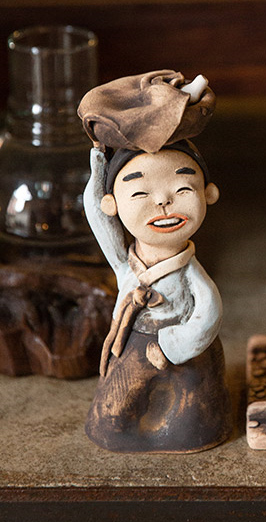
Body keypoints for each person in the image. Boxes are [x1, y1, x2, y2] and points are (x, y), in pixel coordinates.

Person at [83, 139, 232, 453]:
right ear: (112, 204)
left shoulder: (194, 277)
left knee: (195, 421)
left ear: (208, 194)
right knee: (110, 421)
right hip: (133, 342)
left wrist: (172, 346)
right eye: (140, 193)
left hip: (187, 350)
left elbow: (208, 315)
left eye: (183, 189)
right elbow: (97, 218)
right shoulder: (126, 264)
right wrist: (98, 160)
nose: (164, 201)